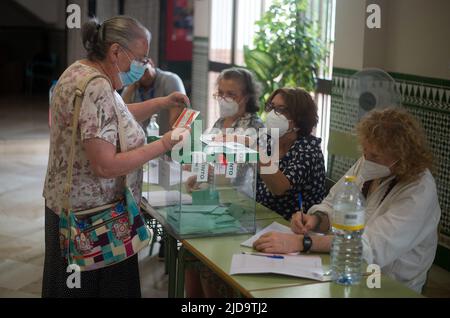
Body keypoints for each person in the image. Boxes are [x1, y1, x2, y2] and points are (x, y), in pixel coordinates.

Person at [42, 16, 189, 298]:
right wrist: (164, 144)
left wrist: (162, 102)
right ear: (115, 52)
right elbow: (105, 165)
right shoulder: (96, 85)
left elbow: (112, 117)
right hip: (93, 219)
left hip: (68, 207)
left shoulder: (80, 70)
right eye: (140, 58)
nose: (144, 66)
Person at [253, 108, 441, 293]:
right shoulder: (369, 163)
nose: (366, 159)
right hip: (348, 268)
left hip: (392, 284)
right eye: (365, 151)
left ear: (402, 157)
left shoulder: (418, 191)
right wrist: (316, 220)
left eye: (374, 155)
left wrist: (302, 242)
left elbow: (370, 248)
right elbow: (332, 203)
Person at [185, 67, 264, 298]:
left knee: (211, 265)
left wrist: (207, 172)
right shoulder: (221, 122)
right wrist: (199, 175)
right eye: (221, 93)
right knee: (191, 258)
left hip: (242, 209)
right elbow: (210, 158)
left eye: (232, 94)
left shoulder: (254, 128)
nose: (224, 99)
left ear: (247, 97)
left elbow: (235, 172)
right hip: (215, 203)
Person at [257, 87, 326, 219]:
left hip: (293, 227)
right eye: (271, 107)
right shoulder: (269, 139)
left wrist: (255, 152)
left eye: (280, 109)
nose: (272, 114)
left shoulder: (309, 150)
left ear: (299, 118)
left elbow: (279, 188)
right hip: (262, 217)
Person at [121, 59, 186, 134]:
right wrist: (131, 86)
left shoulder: (170, 80)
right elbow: (121, 114)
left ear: (151, 63)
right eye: (137, 74)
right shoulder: (132, 87)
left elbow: (177, 120)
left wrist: (169, 140)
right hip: (143, 140)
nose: (142, 77)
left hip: (165, 138)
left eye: (145, 71)